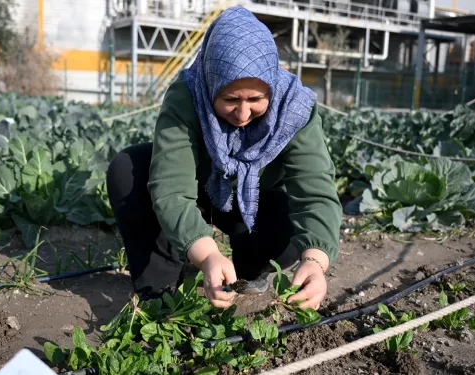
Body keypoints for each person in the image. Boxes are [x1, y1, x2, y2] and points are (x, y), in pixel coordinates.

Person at [106, 6, 342, 311]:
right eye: (230, 99)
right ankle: (160, 290)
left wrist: (315, 261)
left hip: (255, 200)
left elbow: (316, 193)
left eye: (256, 100)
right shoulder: (188, 96)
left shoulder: (293, 109)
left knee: (285, 227)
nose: (243, 114)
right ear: (211, 84)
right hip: (197, 188)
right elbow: (171, 190)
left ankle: (247, 273)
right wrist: (207, 254)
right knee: (127, 170)